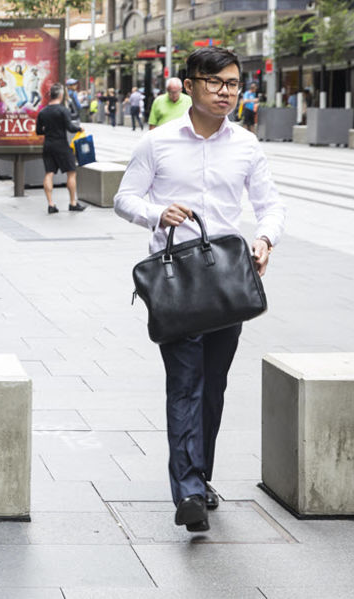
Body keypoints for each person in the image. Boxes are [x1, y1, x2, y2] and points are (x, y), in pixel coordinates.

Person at [113, 47, 285, 533]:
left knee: (214, 388)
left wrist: (265, 239)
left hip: (228, 280)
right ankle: (187, 488)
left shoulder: (248, 145)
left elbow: (271, 205)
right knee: (185, 383)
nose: (226, 91)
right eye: (215, 82)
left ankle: (200, 477)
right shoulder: (158, 142)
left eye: (233, 83)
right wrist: (156, 212)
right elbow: (124, 199)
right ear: (189, 85)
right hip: (176, 283)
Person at [35, 84, 85, 214]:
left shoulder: (43, 112)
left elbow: (39, 131)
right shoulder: (63, 110)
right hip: (61, 145)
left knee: (49, 173)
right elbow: (70, 127)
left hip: (48, 145)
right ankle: (73, 203)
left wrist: (48, 129)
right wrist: (79, 129)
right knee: (71, 172)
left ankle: (51, 204)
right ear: (61, 95)